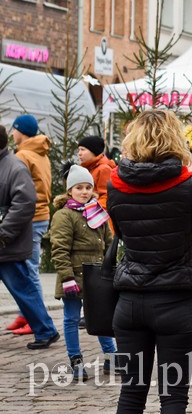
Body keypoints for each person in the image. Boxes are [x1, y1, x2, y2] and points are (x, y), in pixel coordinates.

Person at [107, 109, 192, 413]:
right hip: (175, 302)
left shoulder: (115, 184)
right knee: (173, 396)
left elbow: (118, 230)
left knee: (131, 394)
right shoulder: (189, 185)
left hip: (130, 302)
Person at [49, 165, 116, 379]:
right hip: (74, 277)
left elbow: (108, 244)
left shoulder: (97, 212)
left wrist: (112, 267)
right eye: (79, 187)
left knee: (102, 317)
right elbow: (59, 248)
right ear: (70, 190)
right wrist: (67, 277)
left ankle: (111, 357)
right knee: (71, 319)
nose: (84, 192)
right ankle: (76, 360)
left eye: (88, 187)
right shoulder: (64, 215)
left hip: (97, 277)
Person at [0, 125, 61, 349]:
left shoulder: (14, 166)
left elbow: (25, 202)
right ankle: (45, 329)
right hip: (7, 241)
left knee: (23, 289)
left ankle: (46, 329)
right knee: (23, 288)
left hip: (7, 244)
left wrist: (3, 234)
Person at [6, 114, 52, 335]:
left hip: (30, 218)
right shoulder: (39, 152)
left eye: (14, 130)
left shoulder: (23, 155)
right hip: (40, 215)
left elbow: (22, 193)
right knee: (26, 269)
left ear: (20, 131)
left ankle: (34, 319)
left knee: (29, 270)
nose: (12, 134)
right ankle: (25, 314)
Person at [77, 135, 116, 209]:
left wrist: (90, 211)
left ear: (93, 151)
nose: (79, 153)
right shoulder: (88, 168)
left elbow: (106, 197)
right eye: (78, 150)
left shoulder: (103, 169)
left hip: (97, 216)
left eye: (83, 149)